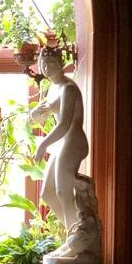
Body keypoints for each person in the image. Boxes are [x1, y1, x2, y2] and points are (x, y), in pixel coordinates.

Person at [32, 46, 88, 233]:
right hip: (62, 143)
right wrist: (35, 114)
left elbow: (64, 124)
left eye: (52, 63)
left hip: (73, 140)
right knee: (48, 194)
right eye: (44, 63)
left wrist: (43, 144)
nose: (47, 67)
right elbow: (42, 120)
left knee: (63, 191)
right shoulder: (52, 88)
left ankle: (78, 237)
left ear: (61, 64)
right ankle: (74, 234)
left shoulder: (68, 88)